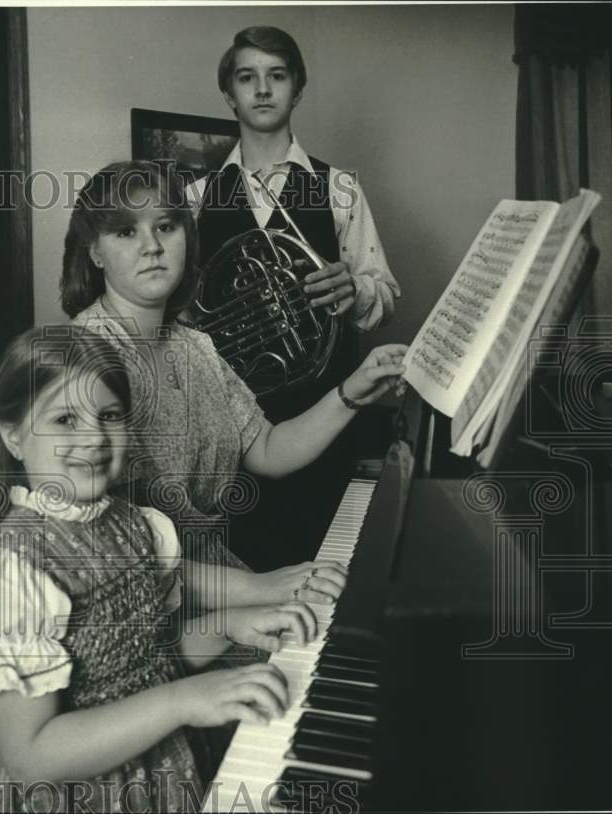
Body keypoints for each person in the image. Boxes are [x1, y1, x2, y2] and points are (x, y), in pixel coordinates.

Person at [0, 325, 321, 813]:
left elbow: (143, 666)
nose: (94, 438)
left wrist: (229, 624)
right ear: (13, 436)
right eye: (64, 420)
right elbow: (32, 757)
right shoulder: (11, 571)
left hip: (152, 773)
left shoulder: (135, 525)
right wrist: (183, 700)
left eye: (109, 415)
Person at [62, 160, 407, 586]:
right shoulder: (82, 358)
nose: (151, 246)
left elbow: (267, 449)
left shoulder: (194, 345)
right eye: (126, 231)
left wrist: (354, 390)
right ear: (95, 250)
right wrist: (261, 589)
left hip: (215, 576)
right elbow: (107, 549)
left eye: (166, 226)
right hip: (145, 599)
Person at [185, 26, 403, 567]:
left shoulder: (339, 188)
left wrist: (354, 291)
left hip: (325, 416)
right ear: (229, 94)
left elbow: (385, 294)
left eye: (276, 76)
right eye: (247, 77)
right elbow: (184, 315)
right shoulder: (195, 198)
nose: (262, 89)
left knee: (324, 572)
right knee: (241, 576)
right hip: (231, 428)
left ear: (297, 90)